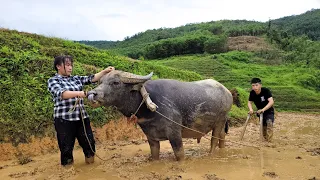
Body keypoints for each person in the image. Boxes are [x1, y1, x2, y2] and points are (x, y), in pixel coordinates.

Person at [47, 55, 114, 166]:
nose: (70, 68)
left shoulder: (75, 78)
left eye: (71, 65)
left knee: (90, 145)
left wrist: (105, 71)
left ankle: (91, 167)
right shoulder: (53, 81)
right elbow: (62, 94)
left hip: (81, 118)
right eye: (67, 65)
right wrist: (81, 94)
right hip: (64, 120)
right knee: (66, 149)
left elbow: (91, 78)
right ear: (58, 66)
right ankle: (68, 172)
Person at [248, 78, 274, 142]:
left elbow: (271, 102)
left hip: (269, 111)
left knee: (269, 123)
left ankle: (269, 141)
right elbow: (249, 102)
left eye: (256, 85)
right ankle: (264, 139)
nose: (255, 87)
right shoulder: (252, 93)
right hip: (260, 112)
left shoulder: (266, 91)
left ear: (260, 85)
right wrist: (251, 109)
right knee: (263, 126)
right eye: (253, 85)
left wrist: (263, 109)